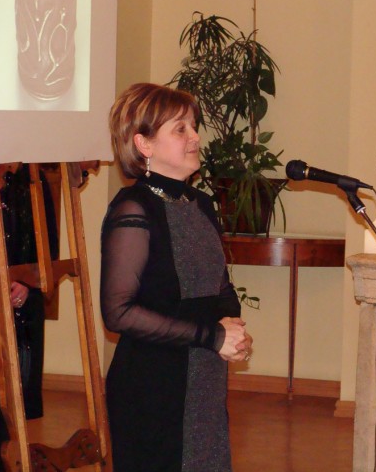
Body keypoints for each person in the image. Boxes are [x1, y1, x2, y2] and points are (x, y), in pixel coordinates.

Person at [101, 82, 252, 472]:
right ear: (144, 144)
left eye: (193, 126)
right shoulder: (133, 209)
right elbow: (118, 312)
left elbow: (219, 286)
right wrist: (212, 336)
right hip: (152, 386)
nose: (195, 137)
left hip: (204, 377)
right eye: (180, 129)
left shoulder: (200, 203)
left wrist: (233, 329)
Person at [0, 163, 58, 471]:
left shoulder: (32, 177)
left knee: (9, 405)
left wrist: (28, 282)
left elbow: (47, 244)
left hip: (18, 306)